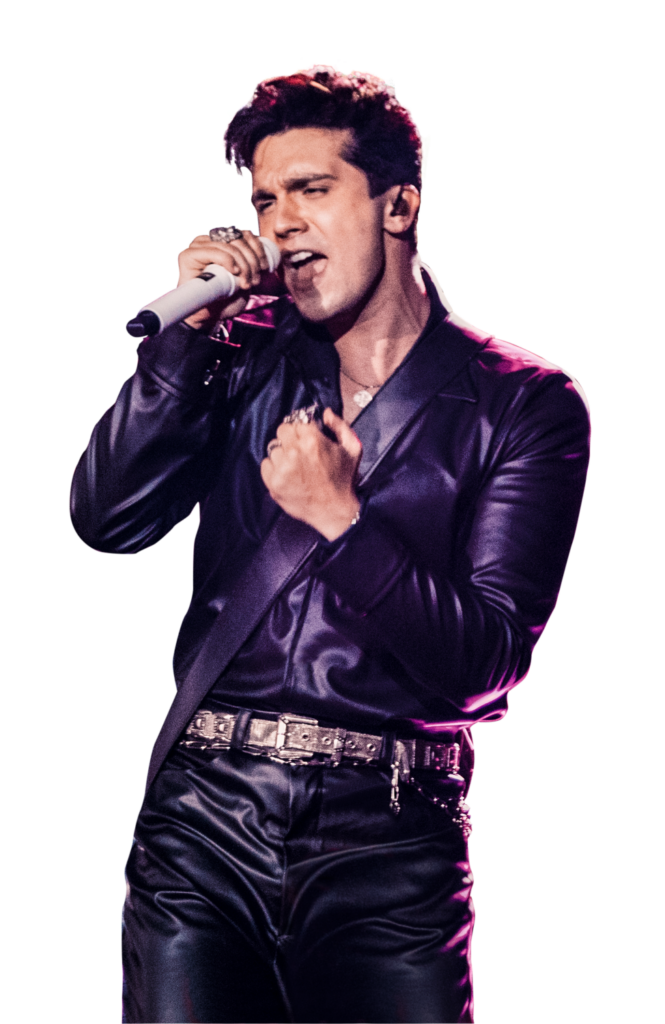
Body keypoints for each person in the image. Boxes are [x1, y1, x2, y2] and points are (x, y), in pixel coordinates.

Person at [69, 65, 591, 1024]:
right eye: (265, 201)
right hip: (203, 822)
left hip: (390, 843)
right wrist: (188, 343)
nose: (281, 224)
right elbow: (107, 519)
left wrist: (343, 524)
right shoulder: (243, 353)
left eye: (310, 190)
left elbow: (483, 668)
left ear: (398, 206)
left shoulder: (524, 402)